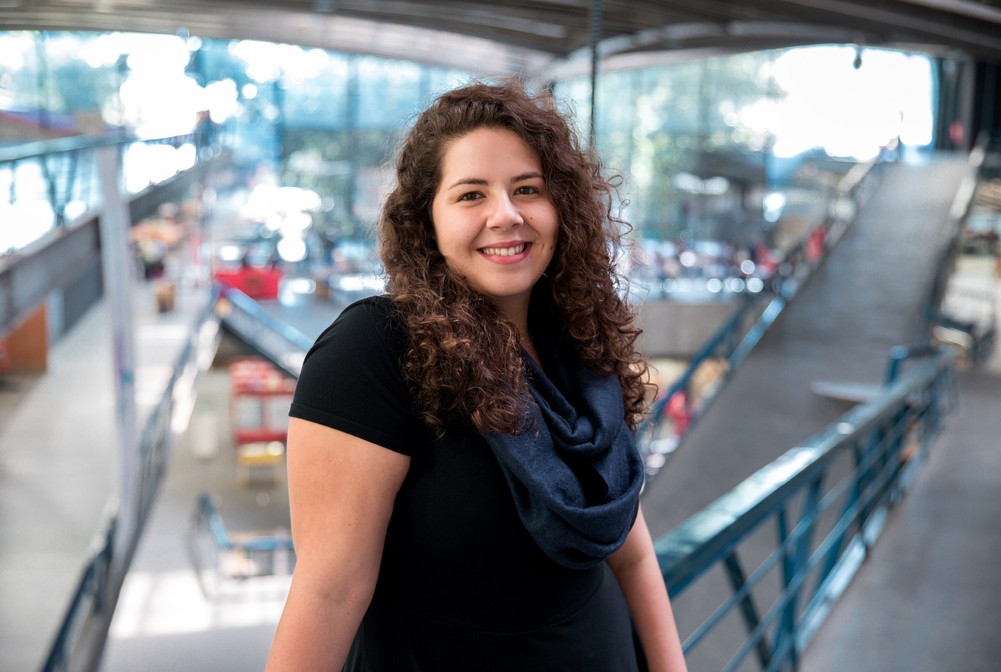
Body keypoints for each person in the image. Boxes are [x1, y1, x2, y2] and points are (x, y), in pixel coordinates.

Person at [266, 81, 688, 671]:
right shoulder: (374, 351)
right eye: (470, 195)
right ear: (425, 223)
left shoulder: (576, 346)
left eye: (527, 189)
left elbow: (631, 555)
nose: (506, 215)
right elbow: (328, 595)